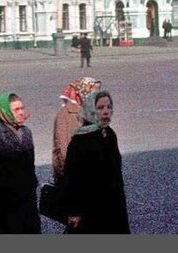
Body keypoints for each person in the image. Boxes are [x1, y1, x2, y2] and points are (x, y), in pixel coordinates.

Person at [62, 90, 130, 234]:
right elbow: (71, 178)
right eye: (100, 108)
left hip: (113, 206)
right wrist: (74, 211)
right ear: (91, 110)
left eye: (108, 107)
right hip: (90, 209)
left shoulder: (109, 134)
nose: (106, 112)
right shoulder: (80, 140)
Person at [0, 92, 39, 233]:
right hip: (4, 201)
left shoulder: (26, 132)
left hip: (27, 198)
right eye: (16, 110)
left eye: (22, 108)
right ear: (5, 112)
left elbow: (30, 164)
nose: (21, 112)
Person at [52, 77, 99, 184]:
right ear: (83, 93)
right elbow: (62, 149)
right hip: (74, 177)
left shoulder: (94, 113)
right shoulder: (65, 115)